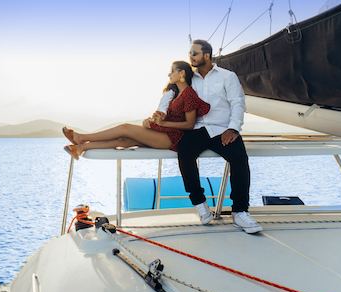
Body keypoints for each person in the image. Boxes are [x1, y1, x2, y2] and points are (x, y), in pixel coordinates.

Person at [179, 39, 262, 234]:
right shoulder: (189, 78)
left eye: (194, 53)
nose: (190, 57)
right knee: (184, 152)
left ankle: (240, 211)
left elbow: (237, 103)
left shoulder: (227, 76)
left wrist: (233, 129)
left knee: (240, 158)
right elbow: (174, 96)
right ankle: (200, 204)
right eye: (190, 53)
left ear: (206, 55)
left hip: (222, 129)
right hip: (197, 129)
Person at [61, 61, 210, 159]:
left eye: (172, 71)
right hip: (165, 133)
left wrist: (163, 124)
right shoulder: (175, 95)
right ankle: (80, 148)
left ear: (182, 73)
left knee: (125, 128)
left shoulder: (189, 94)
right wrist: (156, 120)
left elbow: (189, 125)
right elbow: (169, 118)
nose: (169, 74)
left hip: (175, 139)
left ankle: (81, 137)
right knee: (123, 141)